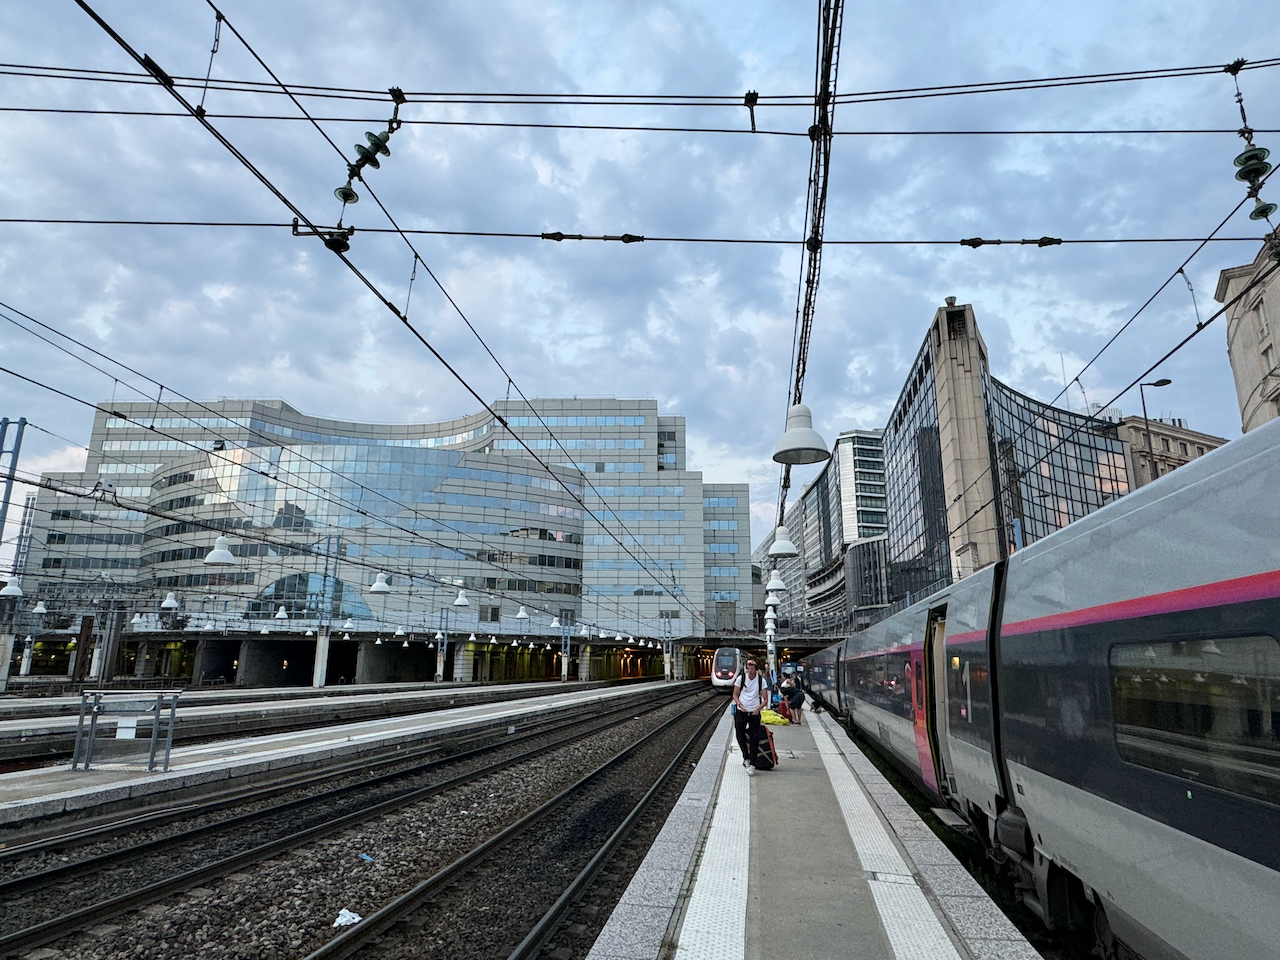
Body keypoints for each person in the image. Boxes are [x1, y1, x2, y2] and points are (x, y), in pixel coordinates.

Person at [733, 658, 767, 776]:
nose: (750, 670)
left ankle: (753, 763)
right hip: (741, 711)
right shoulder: (741, 679)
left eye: (752, 668)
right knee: (740, 735)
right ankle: (745, 757)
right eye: (748, 668)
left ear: (756, 669)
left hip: (754, 712)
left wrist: (758, 709)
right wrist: (739, 704)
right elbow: (735, 694)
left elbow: (765, 700)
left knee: (754, 738)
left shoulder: (761, 681)